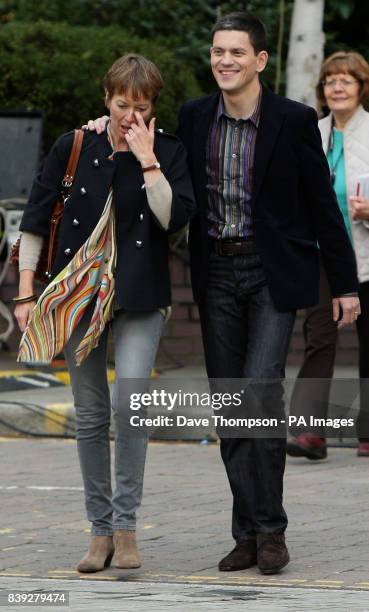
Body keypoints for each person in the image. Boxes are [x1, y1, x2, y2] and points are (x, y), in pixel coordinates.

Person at [86, 12, 360, 575]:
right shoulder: (194, 116)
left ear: (260, 60)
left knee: (259, 395)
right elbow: (150, 146)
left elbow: (323, 207)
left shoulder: (293, 119)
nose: (225, 61)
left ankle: (271, 530)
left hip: (271, 276)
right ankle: (246, 531)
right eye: (217, 52)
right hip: (217, 276)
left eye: (237, 52)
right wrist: (102, 126)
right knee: (232, 407)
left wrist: (347, 285)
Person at [14, 53, 195, 573]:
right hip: (78, 298)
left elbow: (172, 220)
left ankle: (126, 526)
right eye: (121, 105)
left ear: (152, 106)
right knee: (91, 414)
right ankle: (99, 532)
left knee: (130, 404)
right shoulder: (75, 145)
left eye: (140, 107)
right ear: (106, 99)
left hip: (140, 296)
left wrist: (147, 159)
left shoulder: (169, 151)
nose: (129, 115)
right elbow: (35, 220)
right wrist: (26, 295)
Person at [287, 51, 369, 460]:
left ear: (361, 88)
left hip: (366, 251)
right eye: (330, 80)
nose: (337, 87)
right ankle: (309, 432)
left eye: (346, 80)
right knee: (319, 337)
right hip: (321, 256)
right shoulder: (311, 132)